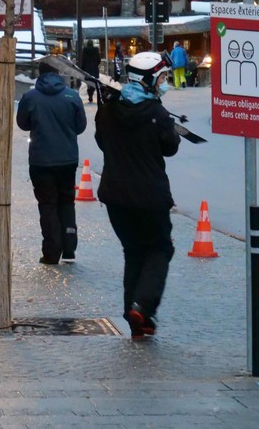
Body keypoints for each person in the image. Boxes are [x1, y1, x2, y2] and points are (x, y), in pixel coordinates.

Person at [94, 51, 180, 340]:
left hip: (116, 196)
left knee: (133, 252)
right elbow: (170, 146)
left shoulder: (108, 108)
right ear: (150, 79)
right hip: (150, 198)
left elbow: (101, 141)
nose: (165, 83)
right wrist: (162, 117)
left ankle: (135, 318)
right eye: (163, 78)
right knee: (159, 249)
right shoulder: (156, 113)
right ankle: (142, 306)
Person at [16, 61, 87, 265]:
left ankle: (51, 251)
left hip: (41, 160)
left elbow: (22, 123)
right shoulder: (72, 96)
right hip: (68, 158)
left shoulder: (30, 97)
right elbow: (80, 126)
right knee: (66, 201)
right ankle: (70, 248)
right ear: (58, 73)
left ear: (39, 74)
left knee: (47, 204)